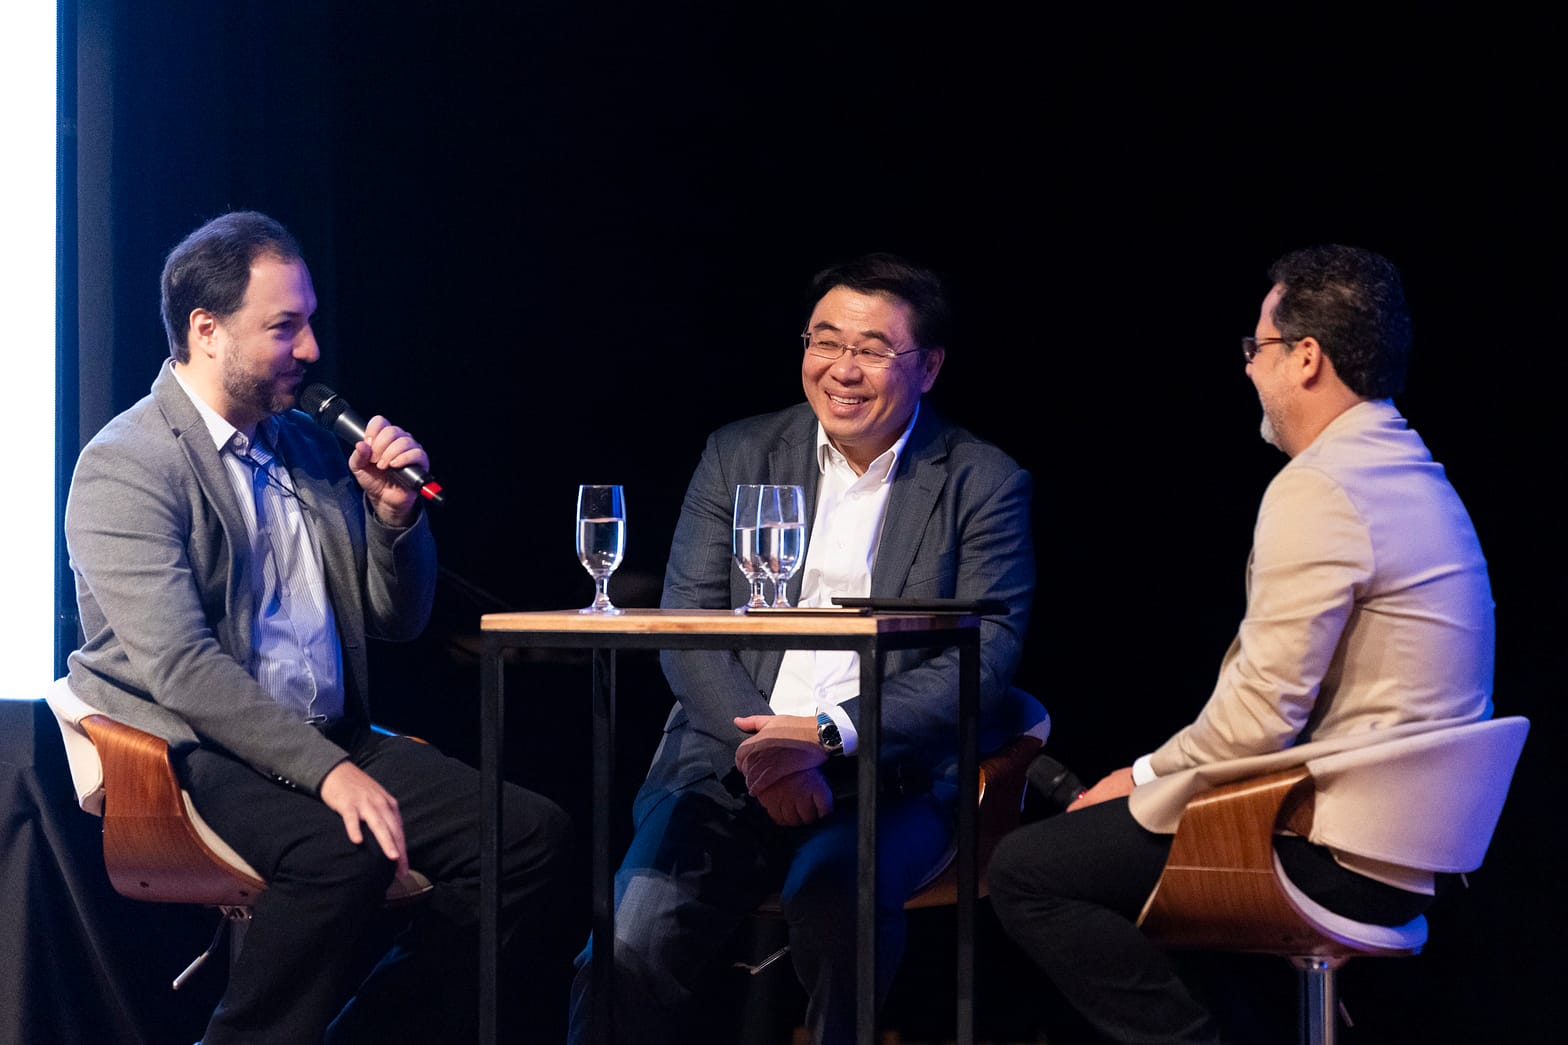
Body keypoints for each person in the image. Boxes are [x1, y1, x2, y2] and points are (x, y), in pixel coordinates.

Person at [62, 210, 571, 1045]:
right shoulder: (127, 462)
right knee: (341, 851)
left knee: (528, 836)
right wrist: (328, 772)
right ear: (206, 330)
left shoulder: (307, 445)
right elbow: (182, 667)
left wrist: (396, 519)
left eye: (309, 322)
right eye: (284, 326)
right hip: (197, 747)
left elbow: (395, 621)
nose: (310, 348)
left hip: (329, 735)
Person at [986, 244, 1495, 1044]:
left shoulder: (1323, 485)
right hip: (1410, 854)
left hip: (1344, 852)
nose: (1250, 367)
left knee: (1027, 870)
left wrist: (1138, 778)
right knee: (1145, 887)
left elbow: (1257, 719)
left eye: (1257, 346)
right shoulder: (1411, 469)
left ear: (1306, 357)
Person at [566, 252, 1045, 1044]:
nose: (841, 369)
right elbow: (687, 624)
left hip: (888, 772)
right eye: (826, 341)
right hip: (726, 760)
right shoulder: (738, 452)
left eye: (871, 349)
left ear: (928, 367)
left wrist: (823, 736)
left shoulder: (981, 480)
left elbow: (985, 657)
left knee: (836, 902)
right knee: (625, 947)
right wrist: (766, 750)